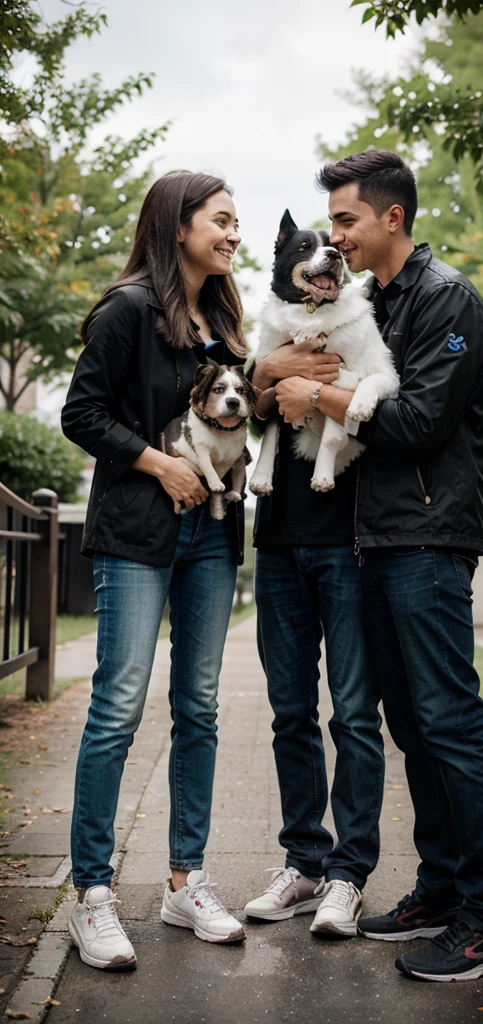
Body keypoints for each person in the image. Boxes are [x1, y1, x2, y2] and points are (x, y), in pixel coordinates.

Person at [274, 149, 483, 981]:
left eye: (345, 221)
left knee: (452, 723)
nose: (335, 239)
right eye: (331, 224)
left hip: (427, 539)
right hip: (374, 540)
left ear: (392, 218)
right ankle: (442, 890)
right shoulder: (371, 299)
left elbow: (417, 422)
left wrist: (323, 399)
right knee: (414, 729)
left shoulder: (448, 298)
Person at [61, 171, 249, 971]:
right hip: (136, 533)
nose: (235, 233)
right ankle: (92, 896)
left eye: (237, 221)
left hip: (210, 537)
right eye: (222, 219)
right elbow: (82, 412)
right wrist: (154, 465)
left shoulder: (222, 319)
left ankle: (185, 880)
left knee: (199, 706)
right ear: (178, 226)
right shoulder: (129, 308)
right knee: (118, 705)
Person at [242, 264, 385, 937]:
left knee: (355, 713)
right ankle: (303, 862)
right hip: (277, 542)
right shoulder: (274, 328)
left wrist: (304, 382)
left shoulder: (360, 319)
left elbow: (375, 397)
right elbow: (255, 410)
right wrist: (269, 376)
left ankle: (347, 875)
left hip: (348, 540)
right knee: (289, 713)